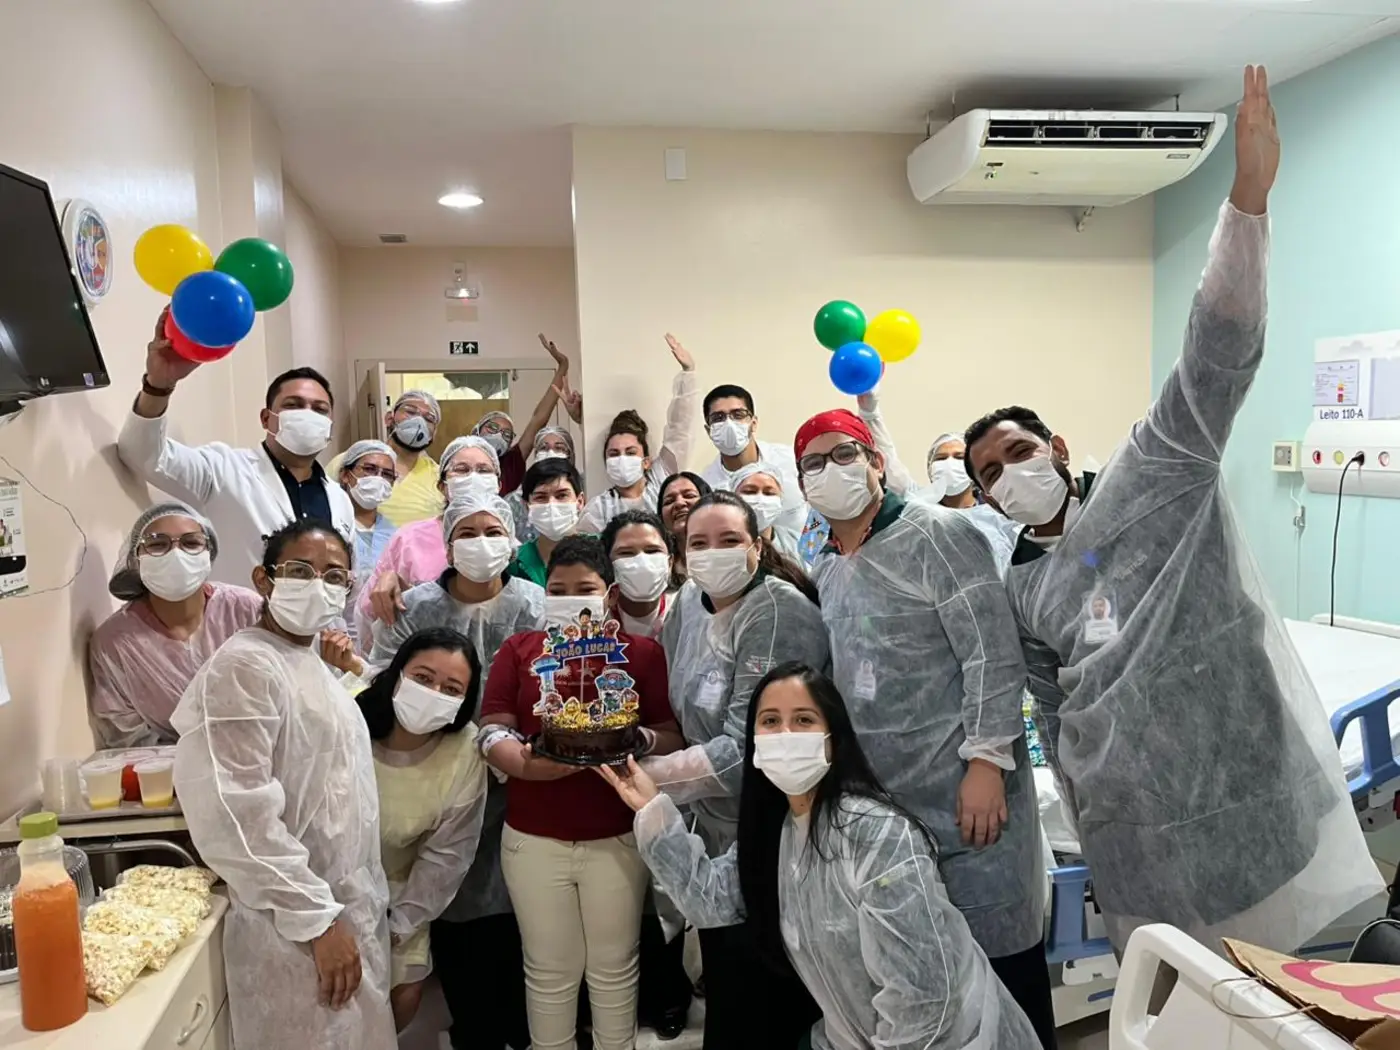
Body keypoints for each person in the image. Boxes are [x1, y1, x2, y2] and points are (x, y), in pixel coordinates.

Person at [963, 66, 1381, 957]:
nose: (1009, 475)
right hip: (1134, 823)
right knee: (1187, 989)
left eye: (1019, 451)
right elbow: (1051, 708)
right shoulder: (1022, 586)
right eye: (990, 473)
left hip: (1244, 773)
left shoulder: (1155, 471)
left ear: (1057, 446)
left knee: (1290, 980)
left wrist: (1248, 203)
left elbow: (1216, 353)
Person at [601, 663, 1042, 1050]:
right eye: (770, 721)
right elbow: (710, 899)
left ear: (833, 740)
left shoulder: (876, 834)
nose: (785, 735)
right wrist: (652, 808)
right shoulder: (777, 835)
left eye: (803, 720)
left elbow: (924, 999)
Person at [794, 408, 1053, 1047]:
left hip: (970, 801)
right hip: (890, 812)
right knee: (928, 988)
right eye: (813, 463)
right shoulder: (829, 568)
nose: (831, 470)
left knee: (1004, 984)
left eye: (844, 454)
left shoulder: (938, 535)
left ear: (877, 463)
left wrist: (986, 762)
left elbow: (992, 653)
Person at [171, 519, 394, 1050]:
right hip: (294, 932)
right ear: (263, 579)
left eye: (334, 575)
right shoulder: (244, 667)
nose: (318, 584)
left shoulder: (307, 664)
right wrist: (316, 920)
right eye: (300, 571)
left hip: (344, 914)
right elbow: (236, 816)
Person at [478, 537, 685, 1050]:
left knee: (615, 967)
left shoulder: (641, 654)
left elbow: (670, 733)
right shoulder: (520, 650)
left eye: (584, 589)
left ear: (609, 594)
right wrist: (524, 764)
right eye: (559, 590)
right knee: (549, 970)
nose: (571, 598)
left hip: (616, 836)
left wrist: (636, 740)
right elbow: (493, 726)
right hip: (533, 838)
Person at [645, 490, 828, 1049]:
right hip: (713, 822)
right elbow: (679, 704)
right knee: (728, 979)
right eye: (698, 543)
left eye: (729, 540)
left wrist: (648, 777)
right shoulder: (689, 606)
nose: (713, 553)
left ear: (758, 544)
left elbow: (750, 748)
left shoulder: (778, 613)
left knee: (767, 987)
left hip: (772, 817)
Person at [366, 491, 544, 1050]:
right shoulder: (413, 607)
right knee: (456, 923)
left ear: (512, 541)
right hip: (433, 780)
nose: (481, 543)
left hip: (524, 787)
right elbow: (383, 679)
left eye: (493, 531)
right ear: (445, 544)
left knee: (519, 926)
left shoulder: (536, 605)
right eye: (467, 532)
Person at [118, 311, 354, 585]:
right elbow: (142, 455)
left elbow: (345, 579)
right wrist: (158, 386)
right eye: (293, 405)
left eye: (319, 409)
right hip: (242, 612)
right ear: (266, 419)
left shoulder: (339, 500)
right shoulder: (222, 469)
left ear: (329, 425)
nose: (307, 414)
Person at [354, 627, 490, 1032]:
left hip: (401, 894)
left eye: (451, 689)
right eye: (423, 678)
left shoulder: (464, 751)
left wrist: (399, 924)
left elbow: (447, 855)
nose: (433, 693)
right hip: (326, 887)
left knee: (402, 995)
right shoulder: (348, 719)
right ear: (397, 671)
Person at [89, 502, 262, 748]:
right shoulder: (115, 642)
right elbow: (126, 737)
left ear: (209, 553)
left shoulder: (244, 609)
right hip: (172, 768)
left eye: (191, 543)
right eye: (157, 544)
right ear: (137, 558)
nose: (176, 555)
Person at [358, 435, 502, 634]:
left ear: (498, 485)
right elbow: (369, 615)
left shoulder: (508, 545)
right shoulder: (409, 539)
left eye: (484, 470)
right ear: (442, 486)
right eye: (461, 470)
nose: (473, 478)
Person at [578, 335, 699, 533]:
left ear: (646, 461)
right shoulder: (597, 510)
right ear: (606, 463)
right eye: (614, 454)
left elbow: (680, 429)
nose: (622, 459)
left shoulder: (661, 481)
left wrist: (688, 374)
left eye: (630, 452)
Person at [699, 384, 806, 553]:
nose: (729, 424)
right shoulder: (707, 487)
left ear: (753, 423)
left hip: (808, 560)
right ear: (709, 430)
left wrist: (817, 558)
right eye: (718, 418)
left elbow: (820, 508)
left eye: (738, 415)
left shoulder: (791, 460)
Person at [474, 333, 581, 497]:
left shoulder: (511, 464)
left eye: (506, 434)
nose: (498, 435)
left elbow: (539, 419)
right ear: (476, 430)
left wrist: (563, 365)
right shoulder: (461, 459)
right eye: (493, 427)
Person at [329, 390, 444, 528]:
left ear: (434, 433)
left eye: (429, 419)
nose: (419, 421)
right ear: (389, 418)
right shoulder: (348, 461)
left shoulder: (440, 477)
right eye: (410, 412)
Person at [334, 439, 399, 648]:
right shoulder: (331, 527)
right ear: (346, 475)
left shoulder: (396, 535)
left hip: (382, 640)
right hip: (333, 637)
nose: (378, 478)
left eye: (387, 474)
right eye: (369, 469)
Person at [507, 458, 587, 586]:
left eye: (561, 495)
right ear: (527, 506)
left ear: (580, 501)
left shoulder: (603, 549)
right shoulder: (515, 562)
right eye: (541, 497)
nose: (551, 505)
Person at [601, 510, 674, 640]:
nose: (642, 561)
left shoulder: (682, 612)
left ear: (670, 563)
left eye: (652, 551)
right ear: (607, 564)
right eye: (626, 553)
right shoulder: (597, 620)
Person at [507, 425, 578, 543]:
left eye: (559, 448)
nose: (550, 452)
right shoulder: (514, 501)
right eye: (543, 448)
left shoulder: (579, 492)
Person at [731, 460, 805, 565]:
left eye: (769, 493)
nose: (760, 499)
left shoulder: (796, 545)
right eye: (749, 492)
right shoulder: (721, 545)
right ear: (733, 498)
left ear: (780, 500)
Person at [656, 471, 711, 592]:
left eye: (689, 496)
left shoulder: (727, 555)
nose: (679, 503)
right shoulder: (659, 568)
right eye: (669, 501)